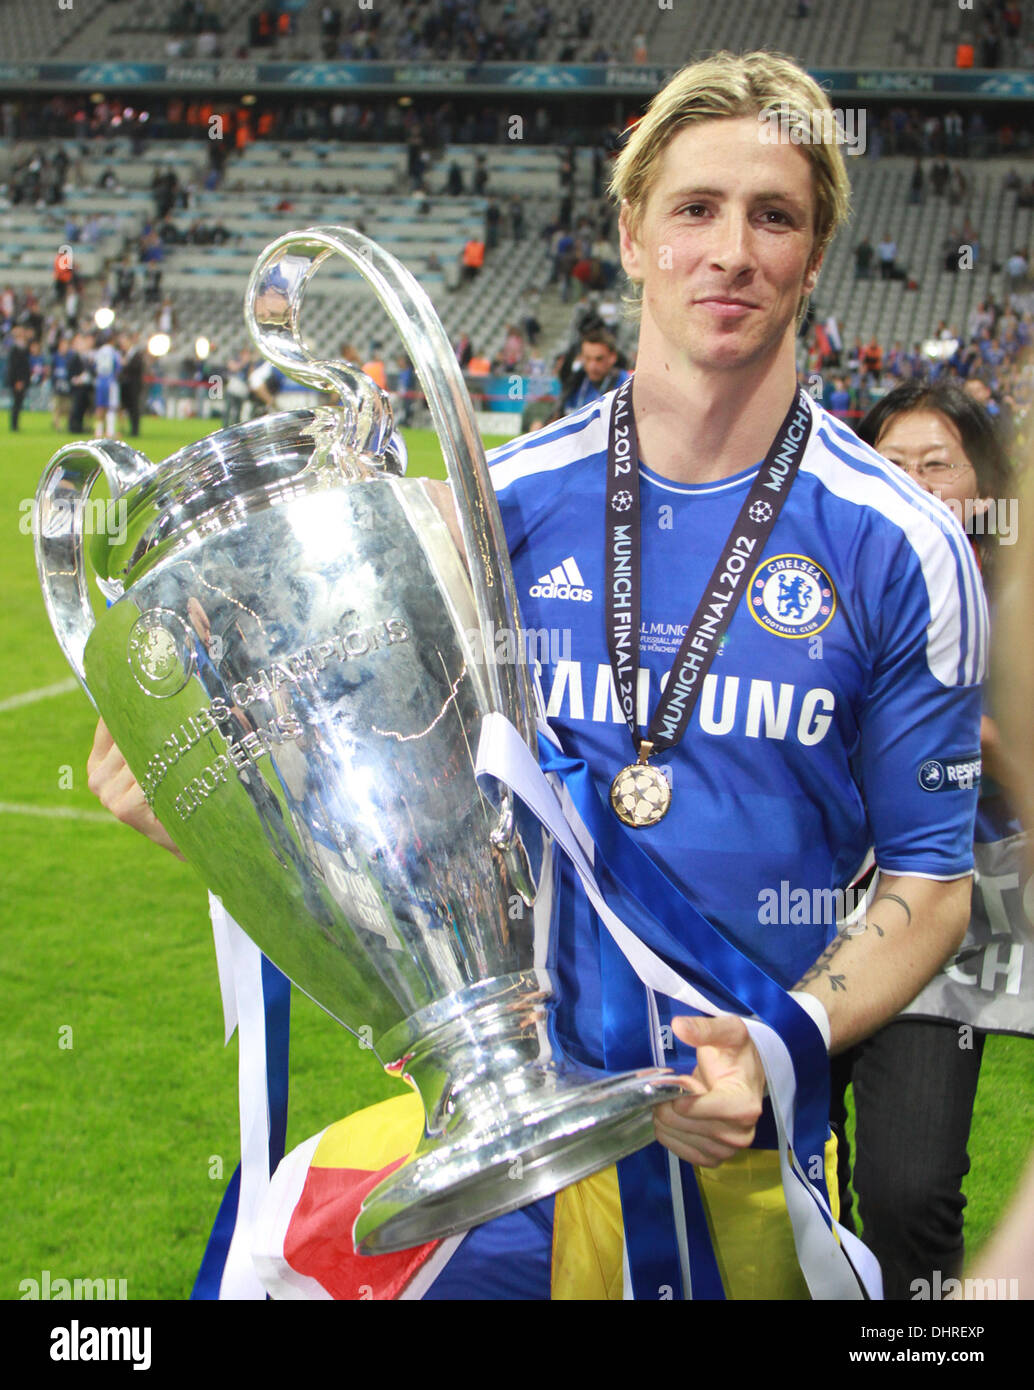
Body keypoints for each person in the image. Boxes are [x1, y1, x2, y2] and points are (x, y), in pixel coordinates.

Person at [87, 51, 984, 1301]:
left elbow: (933, 879)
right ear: (629, 235)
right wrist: (219, 806)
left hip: (743, 1154)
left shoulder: (899, 539)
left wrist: (781, 1042)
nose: (729, 250)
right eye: (693, 209)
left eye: (771, 215)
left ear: (815, 250)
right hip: (519, 1144)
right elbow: (397, 799)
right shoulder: (489, 506)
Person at [830, 382, 1024, 1301]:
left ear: (983, 485)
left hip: (934, 927)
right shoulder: (816, 580)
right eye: (888, 462)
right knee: (779, 1169)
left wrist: (979, 738)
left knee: (907, 1194)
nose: (908, 482)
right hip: (801, 920)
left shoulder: (1010, 609)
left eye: (935, 465)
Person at [557, 328, 629, 416]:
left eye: (599, 359)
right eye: (587, 358)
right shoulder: (576, 382)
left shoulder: (624, 384)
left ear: (612, 357)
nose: (592, 366)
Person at [6, 326, 30, 430]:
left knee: (19, 403)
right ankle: (14, 425)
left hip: (22, 380)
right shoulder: (15, 350)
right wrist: (18, 381)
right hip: (17, 381)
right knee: (16, 403)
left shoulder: (23, 349)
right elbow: (15, 367)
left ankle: (15, 424)